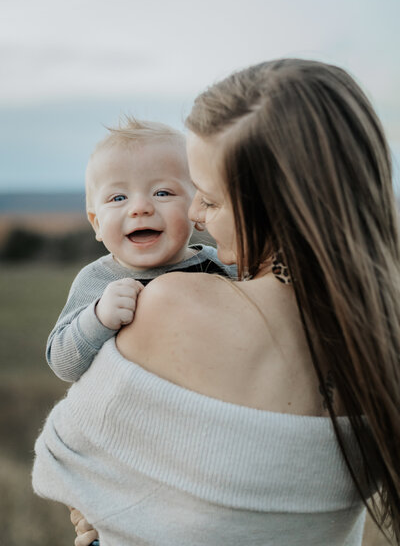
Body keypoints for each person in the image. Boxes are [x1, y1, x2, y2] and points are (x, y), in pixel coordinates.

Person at [33, 59, 400, 546]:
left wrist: (105, 512)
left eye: (208, 197)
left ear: (273, 204)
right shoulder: (379, 332)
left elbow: (70, 470)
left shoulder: (168, 305)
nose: (197, 216)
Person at [46, 117, 235, 382]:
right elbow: (63, 364)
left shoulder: (220, 266)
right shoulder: (98, 282)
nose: (140, 208)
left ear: (198, 208)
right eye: (119, 198)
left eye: (162, 193)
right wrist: (99, 317)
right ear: (97, 223)